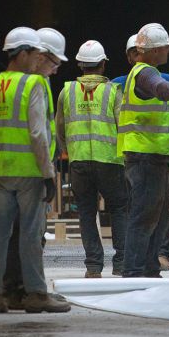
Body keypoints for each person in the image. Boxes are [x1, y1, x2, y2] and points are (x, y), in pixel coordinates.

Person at [0, 27, 70, 314]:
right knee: (31, 235)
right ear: (24, 53)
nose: (38, 59)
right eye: (36, 54)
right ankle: (36, 293)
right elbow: (37, 134)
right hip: (29, 171)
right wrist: (48, 173)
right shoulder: (33, 85)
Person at [118, 23, 169, 278]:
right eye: (166, 46)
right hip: (145, 156)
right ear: (154, 50)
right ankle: (133, 271)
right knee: (144, 217)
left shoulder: (144, 72)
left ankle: (149, 268)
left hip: (152, 156)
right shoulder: (145, 73)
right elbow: (160, 88)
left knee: (157, 217)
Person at [57, 39, 128, 278]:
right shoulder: (112, 91)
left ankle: (93, 267)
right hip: (109, 160)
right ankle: (121, 263)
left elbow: (60, 128)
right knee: (118, 209)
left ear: (80, 65)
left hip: (79, 161)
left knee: (86, 213)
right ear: (103, 64)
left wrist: (70, 151)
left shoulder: (66, 91)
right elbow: (122, 126)